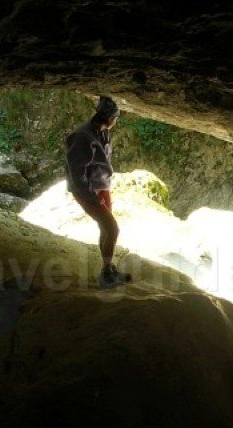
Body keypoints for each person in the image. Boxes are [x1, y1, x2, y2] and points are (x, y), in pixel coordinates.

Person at [65, 95, 132, 288]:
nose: (115, 122)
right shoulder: (82, 137)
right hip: (88, 190)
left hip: (101, 185)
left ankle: (108, 268)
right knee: (112, 228)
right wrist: (91, 197)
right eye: (115, 119)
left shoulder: (102, 132)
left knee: (105, 227)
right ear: (110, 119)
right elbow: (77, 173)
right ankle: (105, 276)